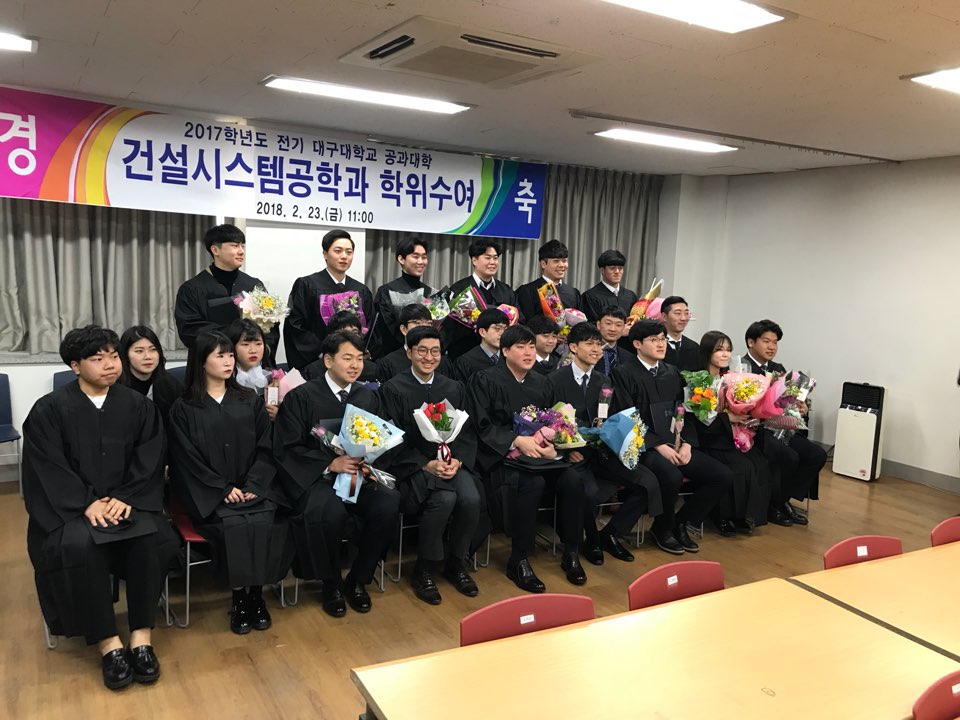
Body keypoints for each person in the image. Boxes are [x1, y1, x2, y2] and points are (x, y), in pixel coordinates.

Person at [22, 326, 174, 690]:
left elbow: (150, 458)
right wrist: (86, 502)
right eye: (97, 358)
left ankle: (141, 637)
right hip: (72, 508)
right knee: (79, 547)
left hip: (128, 501)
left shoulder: (138, 406)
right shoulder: (49, 410)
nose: (110, 365)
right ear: (75, 366)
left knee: (154, 540)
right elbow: (47, 467)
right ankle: (108, 643)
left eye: (113, 356)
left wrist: (127, 496)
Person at [168, 331, 292, 634]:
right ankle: (239, 599)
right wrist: (222, 489)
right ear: (201, 361)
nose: (228, 361)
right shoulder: (184, 408)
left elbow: (267, 446)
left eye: (229, 355)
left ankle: (257, 596)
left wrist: (254, 485)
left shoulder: (248, 400)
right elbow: (186, 459)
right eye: (219, 355)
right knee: (234, 528)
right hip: (212, 496)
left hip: (253, 490)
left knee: (267, 522)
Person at [274, 331, 401, 617]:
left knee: (388, 503)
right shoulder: (302, 396)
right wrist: (329, 465)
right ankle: (330, 583)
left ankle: (358, 579)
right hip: (318, 479)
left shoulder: (367, 396)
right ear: (328, 360)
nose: (355, 365)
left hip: (359, 475)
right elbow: (287, 447)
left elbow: (382, 439)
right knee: (329, 513)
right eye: (347, 358)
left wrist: (370, 465)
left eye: (359, 359)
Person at [467, 325, 587, 593]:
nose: (528, 352)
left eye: (531, 347)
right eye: (520, 347)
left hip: (541, 456)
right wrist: (516, 440)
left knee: (572, 479)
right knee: (532, 483)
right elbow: (481, 425)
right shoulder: (484, 380)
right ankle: (519, 558)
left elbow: (556, 422)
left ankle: (571, 551)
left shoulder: (542, 382)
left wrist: (554, 449)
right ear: (505, 351)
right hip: (504, 457)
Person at [379, 326, 483, 605]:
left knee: (471, 498)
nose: (429, 357)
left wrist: (457, 460)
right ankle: (424, 569)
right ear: (409, 352)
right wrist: (425, 464)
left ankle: (456, 563)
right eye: (422, 351)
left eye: (435, 351)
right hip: (414, 466)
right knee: (444, 499)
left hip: (450, 462)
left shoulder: (453, 387)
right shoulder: (393, 389)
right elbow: (391, 437)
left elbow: (467, 432)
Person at [612, 320, 733, 555]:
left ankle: (681, 522)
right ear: (637, 344)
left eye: (662, 339)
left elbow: (683, 411)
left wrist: (687, 443)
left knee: (722, 475)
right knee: (671, 475)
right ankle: (663, 528)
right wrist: (658, 445)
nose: (661, 344)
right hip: (644, 447)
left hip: (676, 443)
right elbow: (626, 417)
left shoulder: (672, 373)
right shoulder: (623, 373)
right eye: (654, 340)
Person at [548, 322, 662, 564]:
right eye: (589, 344)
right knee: (587, 492)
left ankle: (610, 534)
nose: (596, 349)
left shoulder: (604, 381)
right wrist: (566, 450)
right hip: (574, 456)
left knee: (648, 483)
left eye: (598, 344)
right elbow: (549, 421)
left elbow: (615, 417)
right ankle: (584, 544)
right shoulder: (555, 380)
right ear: (573, 347)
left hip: (604, 453)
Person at [692, 331, 774, 535]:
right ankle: (721, 516)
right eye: (719, 350)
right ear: (707, 351)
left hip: (730, 435)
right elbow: (700, 418)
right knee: (739, 467)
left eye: (728, 350)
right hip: (708, 438)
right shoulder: (698, 380)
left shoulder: (731, 377)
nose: (725, 354)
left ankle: (744, 516)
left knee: (758, 463)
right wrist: (728, 418)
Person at [744, 319, 826, 521]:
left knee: (817, 455)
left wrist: (800, 407)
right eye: (766, 341)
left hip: (781, 427)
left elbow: (787, 401)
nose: (771, 347)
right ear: (751, 342)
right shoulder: (742, 368)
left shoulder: (778, 368)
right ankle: (774, 505)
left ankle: (782, 499)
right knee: (789, 456)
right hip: (754, 430)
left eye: (775, 342)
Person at [174, 223, 279, 355]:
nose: (241, 251)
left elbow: (270, 326)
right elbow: (189, 330)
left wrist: (264, 351)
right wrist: (236, 333)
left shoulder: (254, 285)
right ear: (215, 250)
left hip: (250, 361)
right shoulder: (191, 289)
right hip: (210, 361)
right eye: (235, 246)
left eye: (242, 246)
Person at [283, 229, 374, 371]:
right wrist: (327, 352)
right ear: (325, 254)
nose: (344, 256)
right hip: (319, 362)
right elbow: (296, 326)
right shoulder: (307, 285)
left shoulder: (361, 290)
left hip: (353, 363)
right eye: (338, 251)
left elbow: (369, 325)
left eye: (349, 252)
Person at [444, 238, 519, 359]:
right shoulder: (459, 288)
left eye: (495, 258)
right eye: (487, 258)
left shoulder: (506, 290)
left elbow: (519, 320)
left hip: (501, 356)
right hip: (466, 354)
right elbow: (449, 326)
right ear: (474, 260)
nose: (492, 262)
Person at [367, 237, 432, 360]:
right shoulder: (386, 291)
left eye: (424, 257)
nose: (421, 261)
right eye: (415, 256)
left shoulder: (430, 292)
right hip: (396, 357)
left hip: (426, 356)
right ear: (401, 259)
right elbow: (386, 331)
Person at [118, 325, 184, 429]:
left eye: (153, 349)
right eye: (139, 351)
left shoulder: (171, 385)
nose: (148, 356)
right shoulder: (115, 388)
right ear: (125, 355)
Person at [375, 304, 455, 383]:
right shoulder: (389, 363)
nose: (424, 328)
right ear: (404, 329)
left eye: (429, 323)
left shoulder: (443, 362)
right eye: (417, 323)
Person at [301, 311, 379, 384]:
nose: (350, 337)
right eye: (344, 333)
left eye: (355, 333)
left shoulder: (371, 369)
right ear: (330, 337)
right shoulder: (312, 371)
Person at [515, 239, 582, 320]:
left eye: (564, 261)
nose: (561, 265)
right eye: (556, 261)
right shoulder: (527, 291)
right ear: (543, 264)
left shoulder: (574, 293)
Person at [226, 318, 279, 420]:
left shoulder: (270, 378)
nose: (253, 350)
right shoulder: (224, 380)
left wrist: (278, 414)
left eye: (258, 344)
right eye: (245, 344)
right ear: (232, 346)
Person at [454, 307, 509, 383]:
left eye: (505, 329)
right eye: (497, 329)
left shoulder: (510, 358)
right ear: (482, 332)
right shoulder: (465, 362)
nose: (502, 333)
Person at [581, 250, 639, 322]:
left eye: (620, 268)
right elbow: (590, 325)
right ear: (602, 270)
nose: (617, 272)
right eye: (612, 268)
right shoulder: (590, 297)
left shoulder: (631, 296)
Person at [661, 296, 700, 372]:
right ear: (664, 316)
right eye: (678, 313)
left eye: (686, 313)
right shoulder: (655, 346)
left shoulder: (694, 347)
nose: (683, 318)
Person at [596, 306, 636, 376]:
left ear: (624, 327)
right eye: (608, 323)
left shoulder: (629, 358)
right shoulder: (588, 352)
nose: (613, 329)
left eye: (618, 325)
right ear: (598, 325)